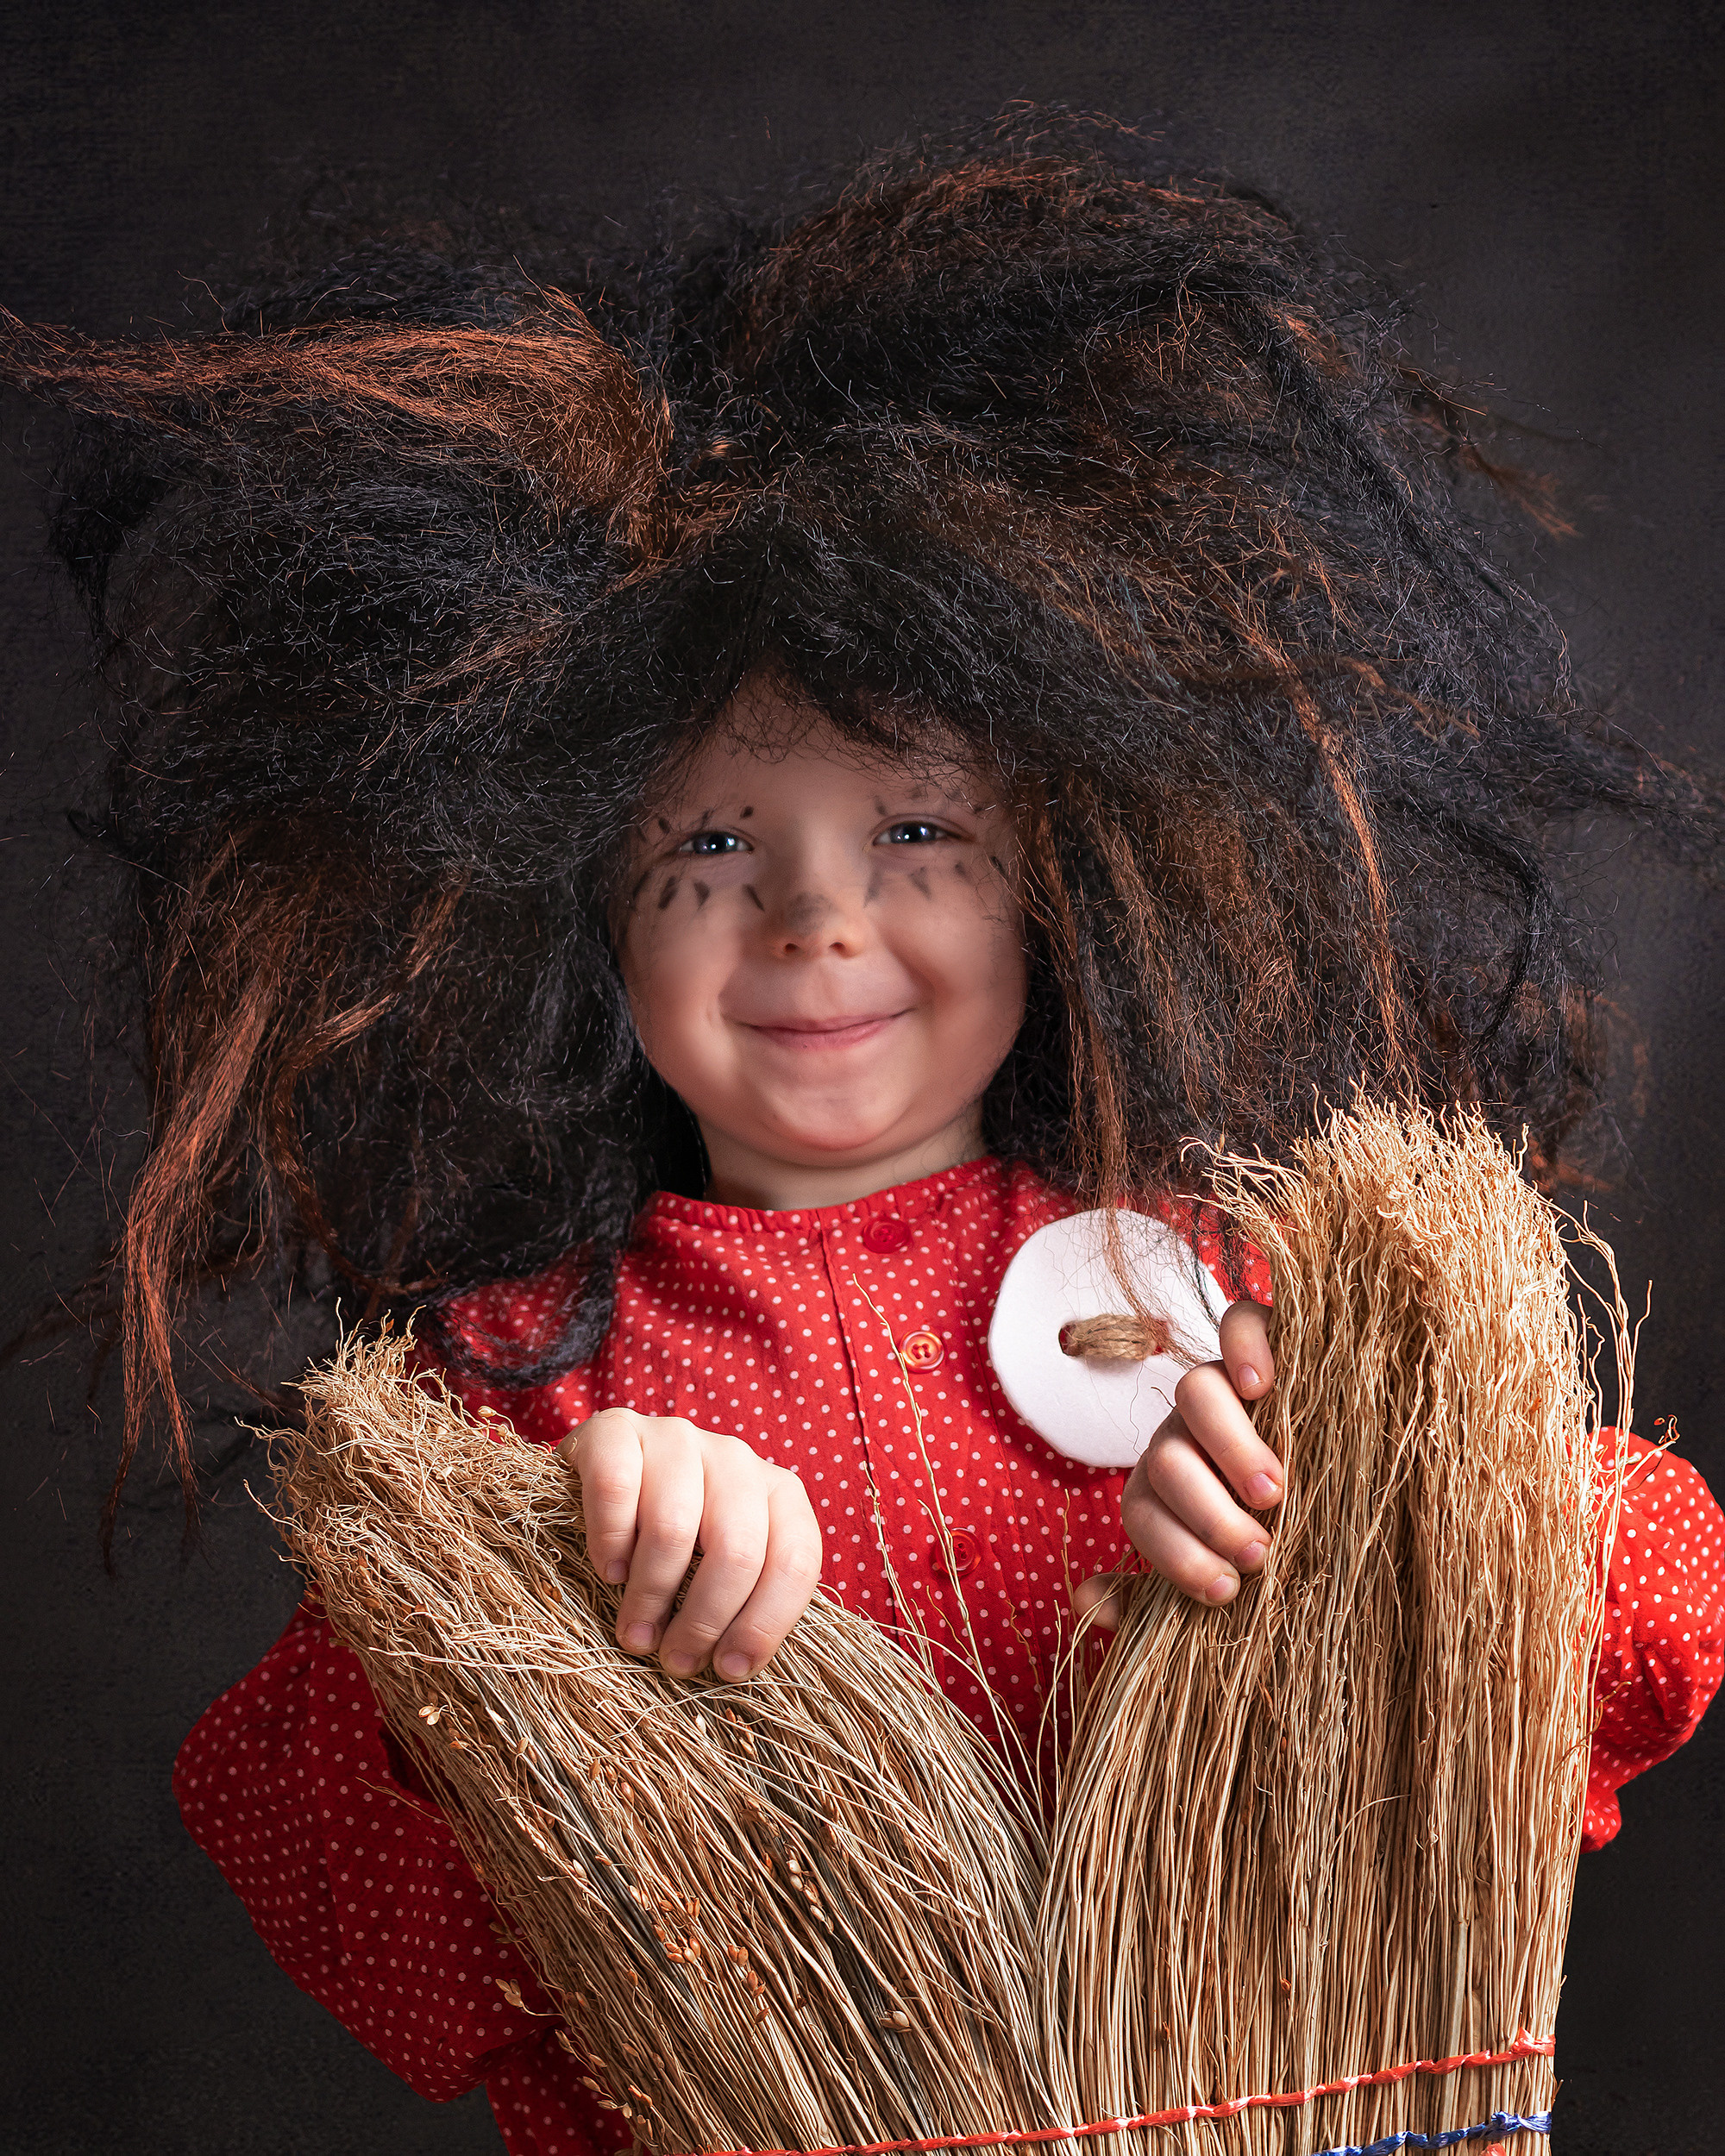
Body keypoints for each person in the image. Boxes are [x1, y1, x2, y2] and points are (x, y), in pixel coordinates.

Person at [5, 122, 1721, 2156]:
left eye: (914, 832)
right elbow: (329, 1888)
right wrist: (543, 1596)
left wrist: (1357, 1524)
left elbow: (1649, 1611)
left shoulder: (1227, 1290)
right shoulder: (515, 1394)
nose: (817, 917)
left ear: (1044, 881)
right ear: (581, 921)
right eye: (710, 847)